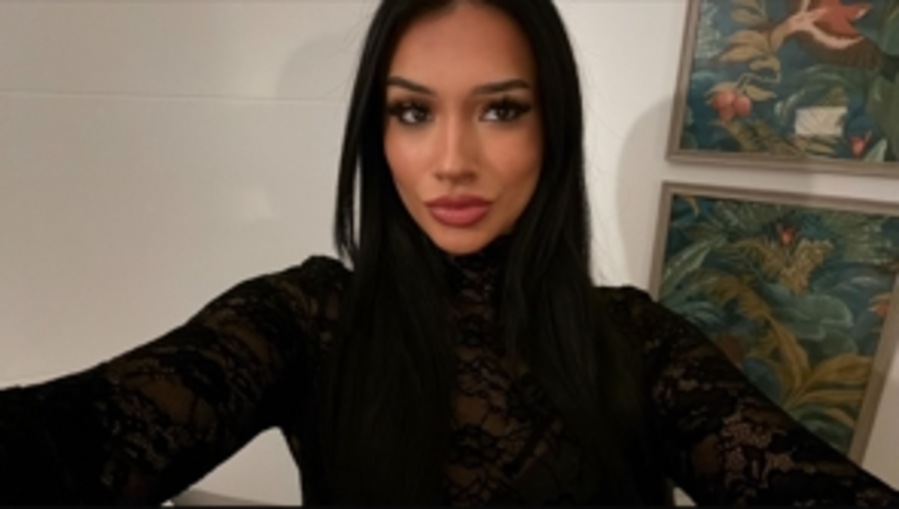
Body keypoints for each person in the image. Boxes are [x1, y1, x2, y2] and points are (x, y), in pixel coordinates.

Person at [1, 0, 897, 505]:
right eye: (412, 111)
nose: (451, 160)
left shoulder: (636, 342)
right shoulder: (303, 321)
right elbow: (68, 440)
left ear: (551, 130)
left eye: (500, 109)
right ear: (377, 133)